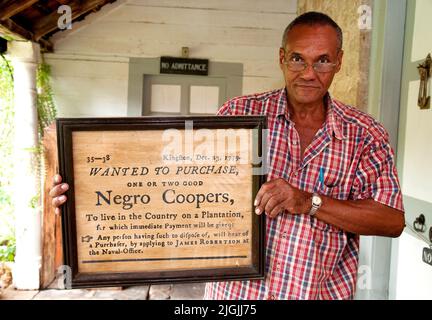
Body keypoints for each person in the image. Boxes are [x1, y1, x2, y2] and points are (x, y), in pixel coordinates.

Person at [50, 11, 405, 300]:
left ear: (340, 62)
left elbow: (391, 221)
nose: (309, 73)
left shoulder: (364, 133)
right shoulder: (238, 115)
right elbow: (178, 188)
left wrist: (307, 201)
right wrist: (85, 196)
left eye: (322, 61)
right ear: (282, 57)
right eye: (298, 58)